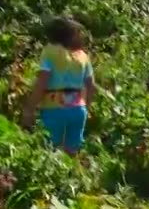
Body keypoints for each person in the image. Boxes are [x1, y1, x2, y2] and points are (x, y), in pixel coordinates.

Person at [21, 16, 95, 155]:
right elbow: (91, 86)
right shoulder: (82, 56)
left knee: (50, 150)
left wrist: (30, 108)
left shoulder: (50, 52)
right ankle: (73, 175)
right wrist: (87, 107)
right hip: (78, 108)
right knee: (73, 151)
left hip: (54, 107)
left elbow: (43, 81)